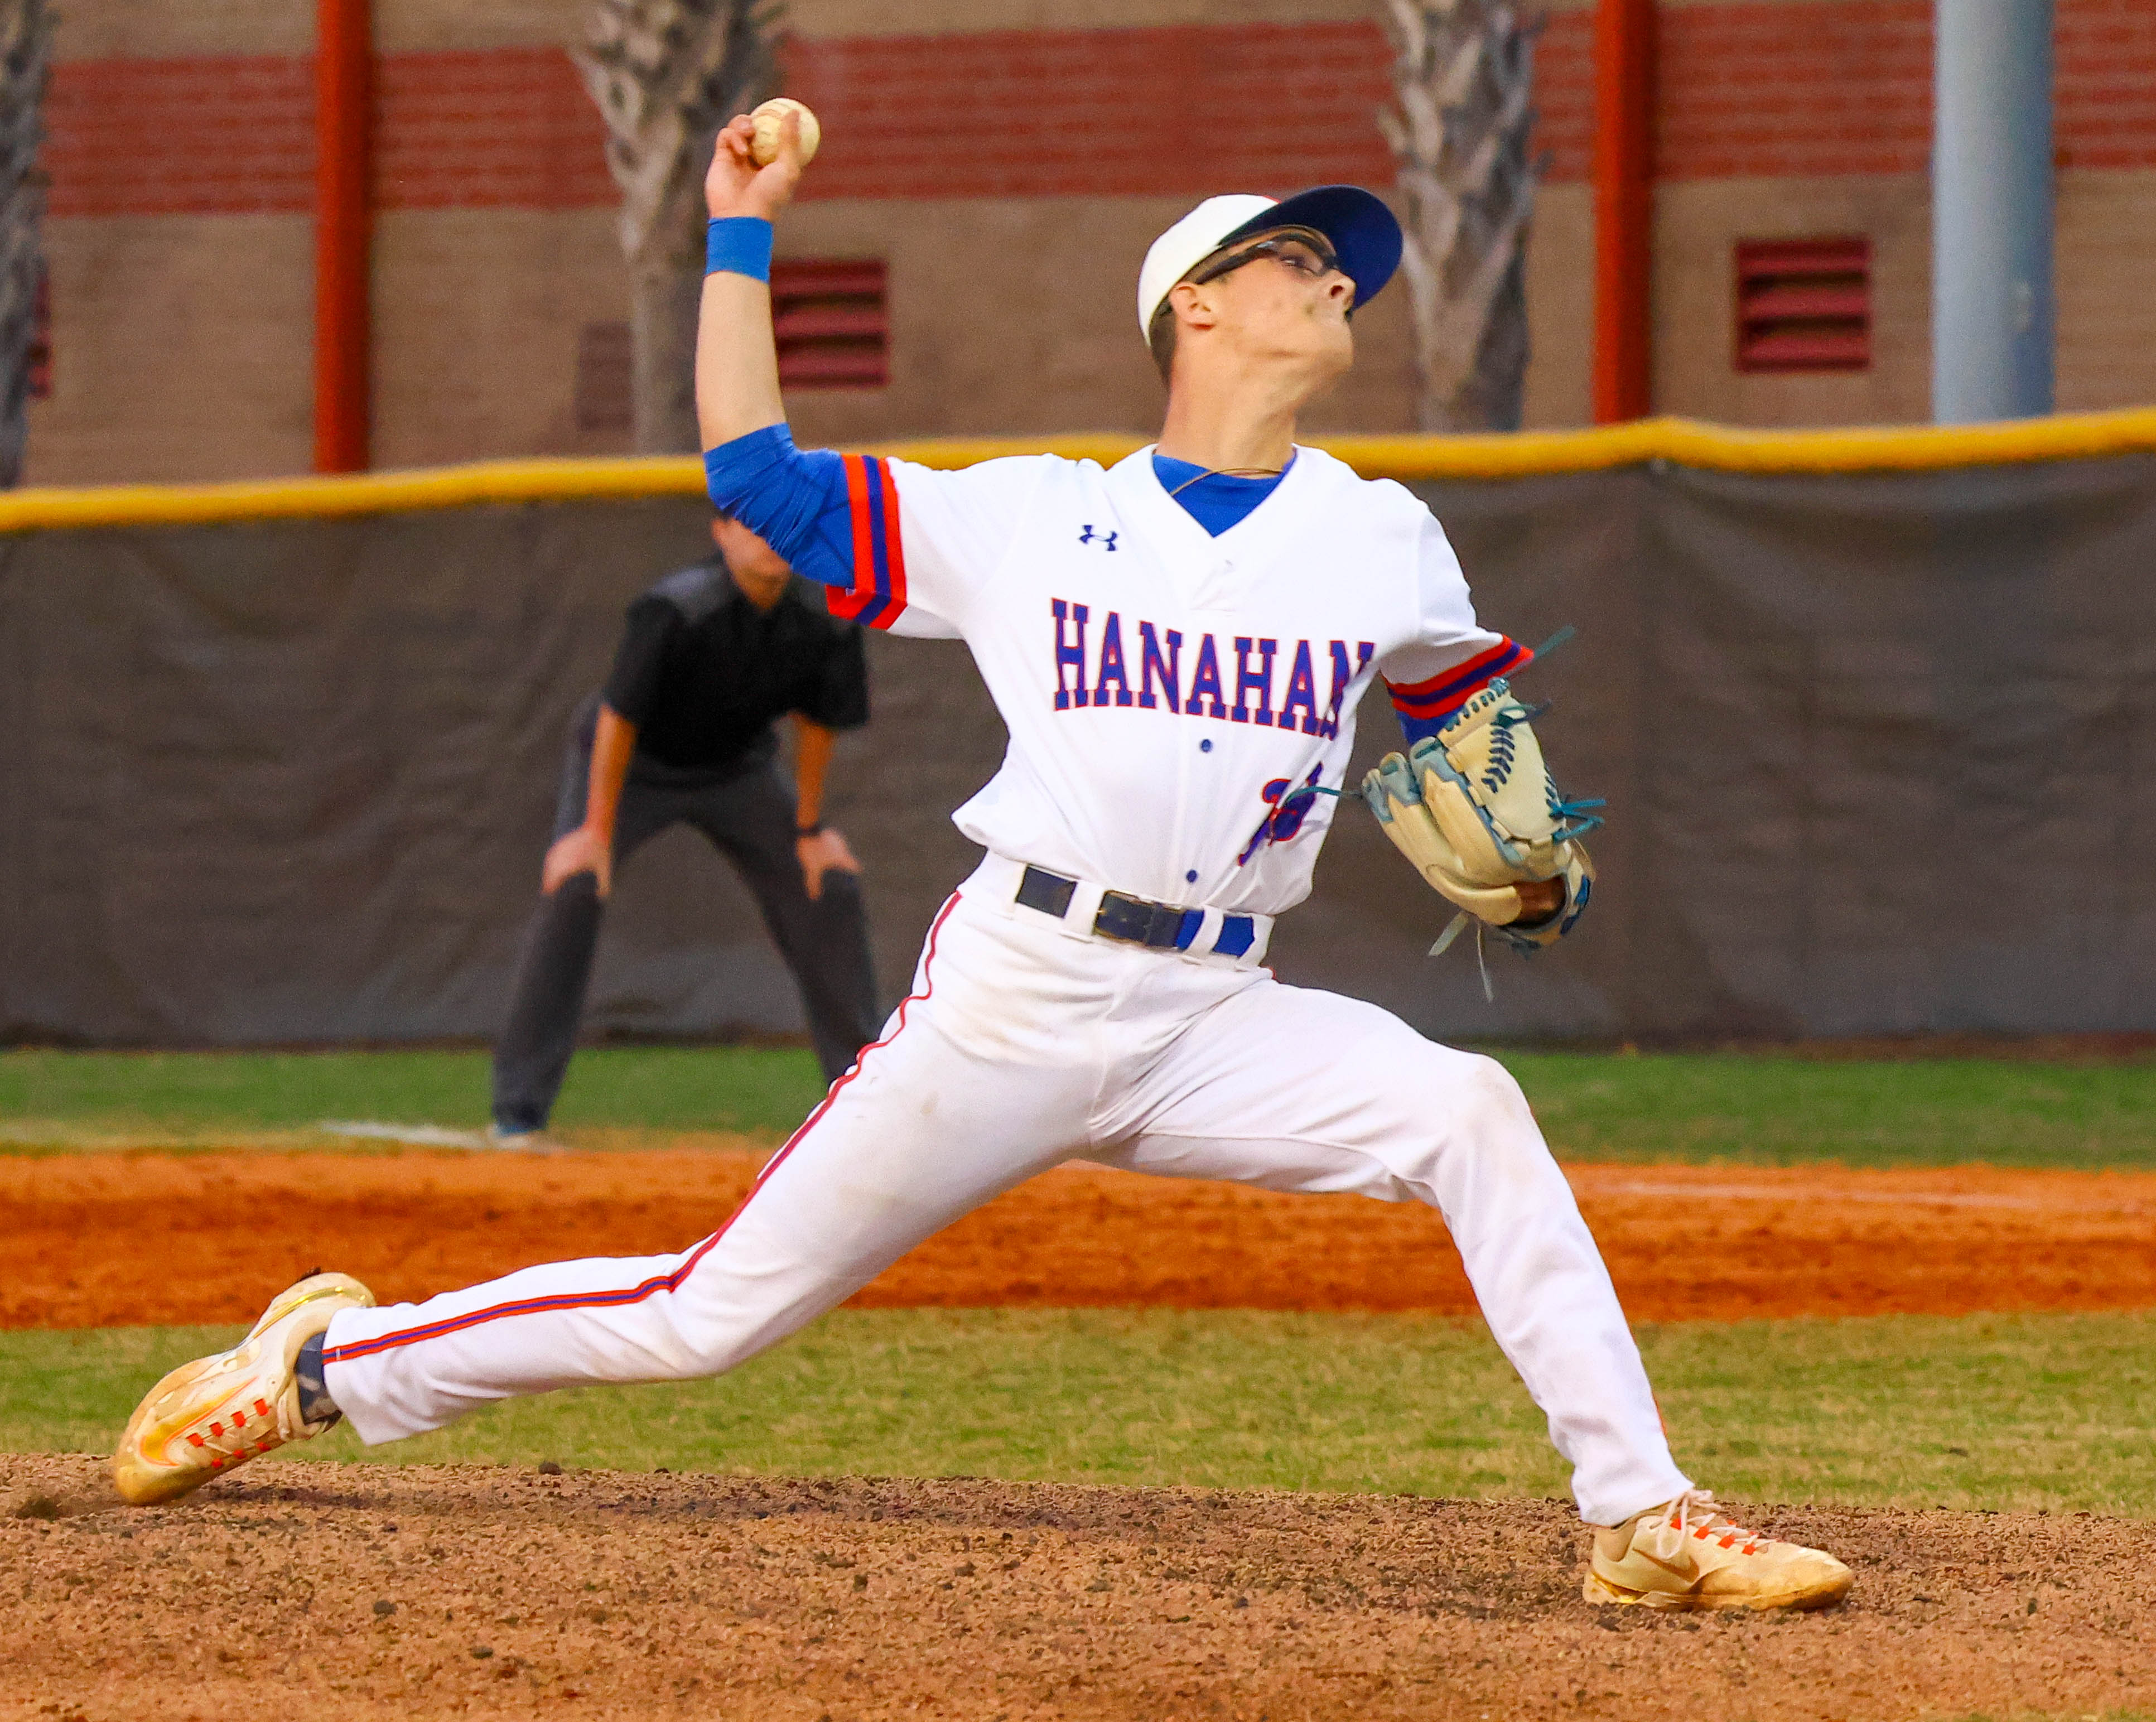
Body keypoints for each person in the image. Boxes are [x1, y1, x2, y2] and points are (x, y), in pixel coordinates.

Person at [113, 110, 1853, 1614]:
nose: (1337, 280)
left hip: (1215, 1010)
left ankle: (1635, 1519)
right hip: (1016, 992)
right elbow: (757, 479)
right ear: (1195, 302)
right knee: (709, 1313)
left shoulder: (1378, 533)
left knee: (1467, 1108)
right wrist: (739, 229)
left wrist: (1531, 850)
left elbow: (1468, 714)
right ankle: (322, 1367)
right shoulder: (1036, 517)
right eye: (1298, 260)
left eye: (1342, 267)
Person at [489, 510, 880, 1145]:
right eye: (751, 525)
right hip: (632, 765)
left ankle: (867, 1105)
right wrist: (593, 830)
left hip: (738, 770)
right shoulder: (675, 609)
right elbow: (618, 717)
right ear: (720, 533)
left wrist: (811, 827)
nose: (769, 537)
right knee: (575, 891)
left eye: (779, 523)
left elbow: (818, 722)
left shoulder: (825, 617)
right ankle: (517, 1113)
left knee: (828, 886)